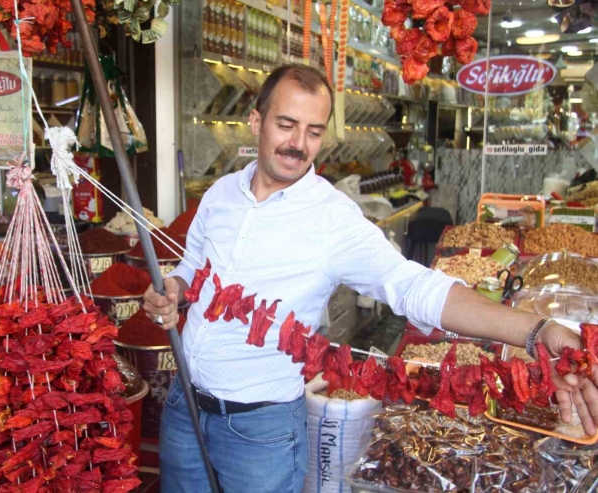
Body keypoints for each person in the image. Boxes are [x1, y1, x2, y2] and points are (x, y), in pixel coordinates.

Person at [143, 64, 598, 493]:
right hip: (184, 404)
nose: (298, 144)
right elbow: (191, 266)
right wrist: (176, 290)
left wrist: (537, 331)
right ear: (255, 120)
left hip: (259, 429)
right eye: (286, 125)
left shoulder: (332, 219)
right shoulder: (221, 193)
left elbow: (416, 286)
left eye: (314, 131)